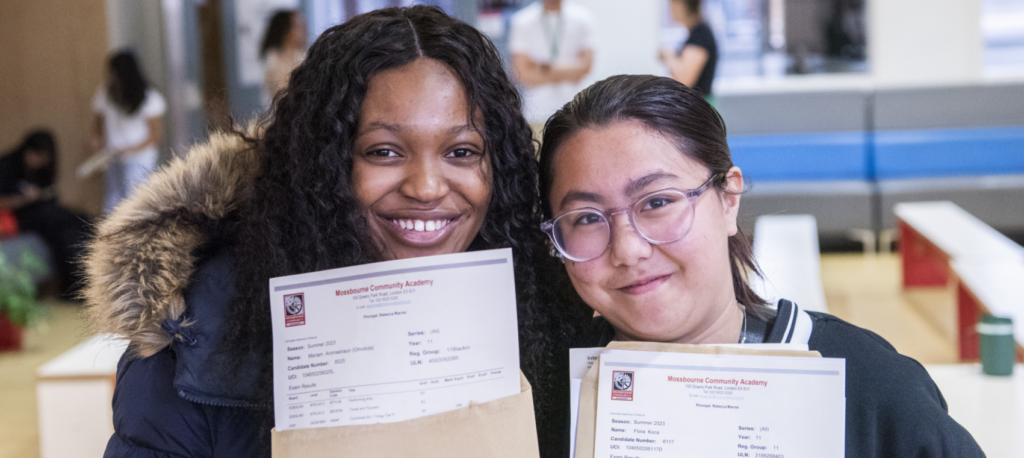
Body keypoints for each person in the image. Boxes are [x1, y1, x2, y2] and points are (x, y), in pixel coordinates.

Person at [84, 6, 591, 457]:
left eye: (462, 152)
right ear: (323, 167)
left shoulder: (550, 311)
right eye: (384, 152)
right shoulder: (197, 338)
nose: (428, 187)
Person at [537, 75, 985, 457]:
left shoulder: (869, 383)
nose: (628, 249)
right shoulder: (543, 397)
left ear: (728, 199)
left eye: (657, 202)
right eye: (587, 219)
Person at [0, 130, 91, 297]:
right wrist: (23, 199)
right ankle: (71, 285)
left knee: (79, 222)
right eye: (35, 155)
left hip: (44, 211)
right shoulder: (6, 166)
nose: (39, 160)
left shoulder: (44, 169)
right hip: (20, 216)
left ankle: (78, 283)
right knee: (58, 225)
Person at [90, 50, 166, 214]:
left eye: (114, 72)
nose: (111, 76)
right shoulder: (106, 93)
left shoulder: (149, 97)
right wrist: (97, 140)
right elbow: (98, 122)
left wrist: (129, 150)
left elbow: (154, 136)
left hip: (140, 157)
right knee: (113, 200)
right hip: (113, 155)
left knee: (136, 200)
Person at [509, 0, 594, 126]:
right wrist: (568, 73)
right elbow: (522, 74)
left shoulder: (583, 18)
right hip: (537, 109)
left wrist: (542, 66)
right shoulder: (522, 21)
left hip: (576, 107)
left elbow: (584, 69)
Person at [660, 0, 718, 97]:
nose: (670, 10)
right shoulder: (695, 33)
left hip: (700, 106)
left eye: (672, 5)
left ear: (680, 5)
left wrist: (668, 55)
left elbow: (684, 80)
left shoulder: (700, 35)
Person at [260, 9, 307, 106]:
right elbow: (283, 95)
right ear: (286, 31)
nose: (304, 29)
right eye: (298, 26)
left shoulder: (303, 56)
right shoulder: (273, 59)